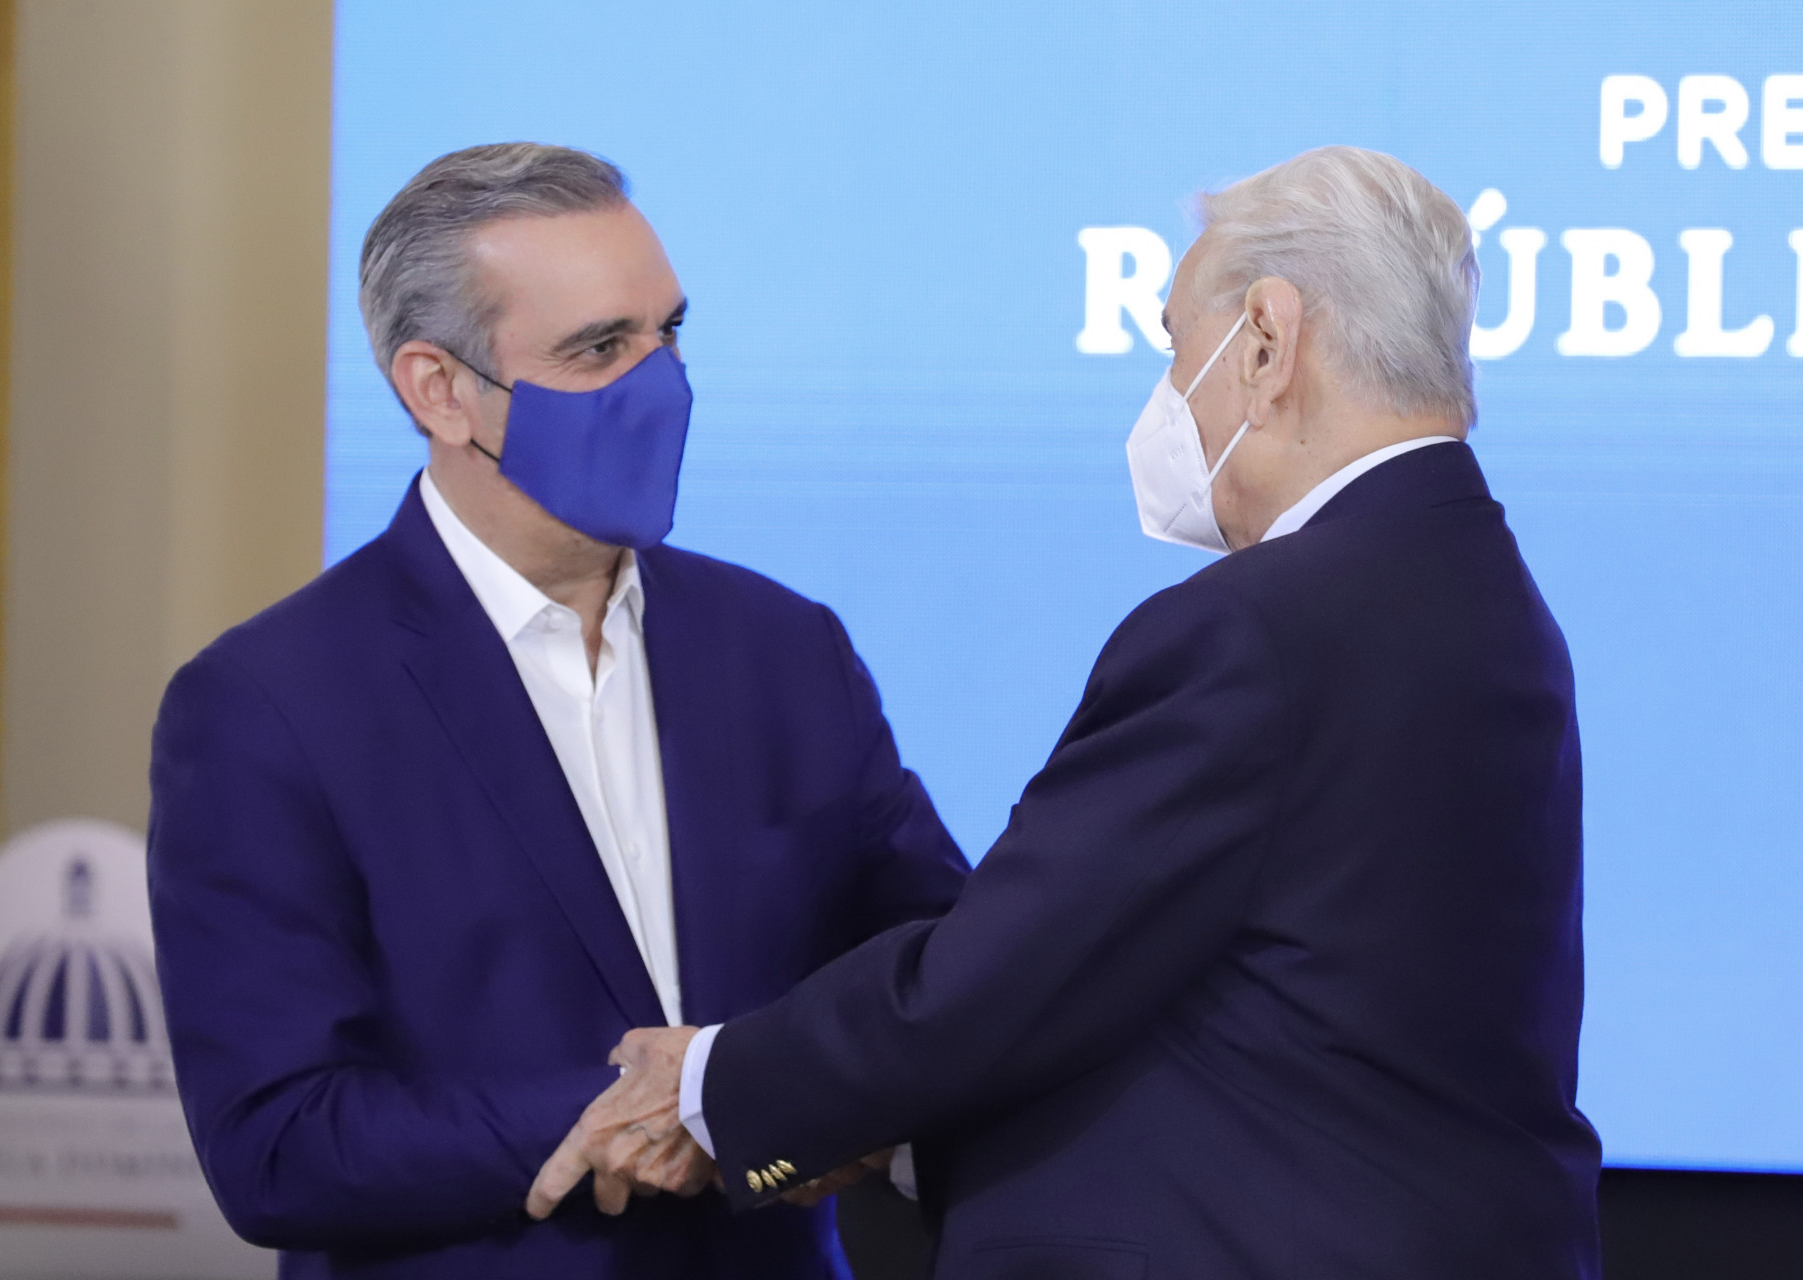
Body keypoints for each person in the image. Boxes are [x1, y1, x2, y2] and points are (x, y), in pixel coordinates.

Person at [529, 146, 1605, 1279]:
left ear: (1268, 342)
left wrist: (714, 1086)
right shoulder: (1472, 584)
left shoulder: (1260, 626)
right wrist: (893, 1127)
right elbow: (1251, 1008)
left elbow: (1007, 972)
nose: (1170, 393)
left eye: (1176, 345)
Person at [146, 142, 968, 1280]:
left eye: (669, 333)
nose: (659, 384)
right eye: (599, 349)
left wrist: (763, 1102)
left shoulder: (784, 650)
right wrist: (637, 1114)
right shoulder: (269, 704)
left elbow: (939, 973)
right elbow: (276, 1143)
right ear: (438, 389)